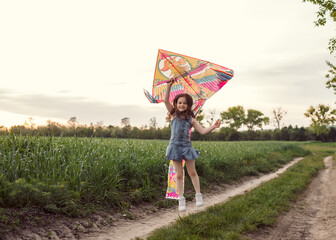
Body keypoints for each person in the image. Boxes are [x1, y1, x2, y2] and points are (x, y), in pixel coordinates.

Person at [164, 79, 221, 211]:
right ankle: (181, 199)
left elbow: (203, 131)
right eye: (179, 103)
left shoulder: (192, 119)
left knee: (192, 172)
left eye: (184, 103)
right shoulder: (173, 114)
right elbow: (166, 101)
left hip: (187, 147)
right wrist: (169, 86)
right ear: (176, 104)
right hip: (174, 147)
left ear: (189, 105)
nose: (182, 105)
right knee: (178, 174)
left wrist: (213, 126)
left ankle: (198, 195)